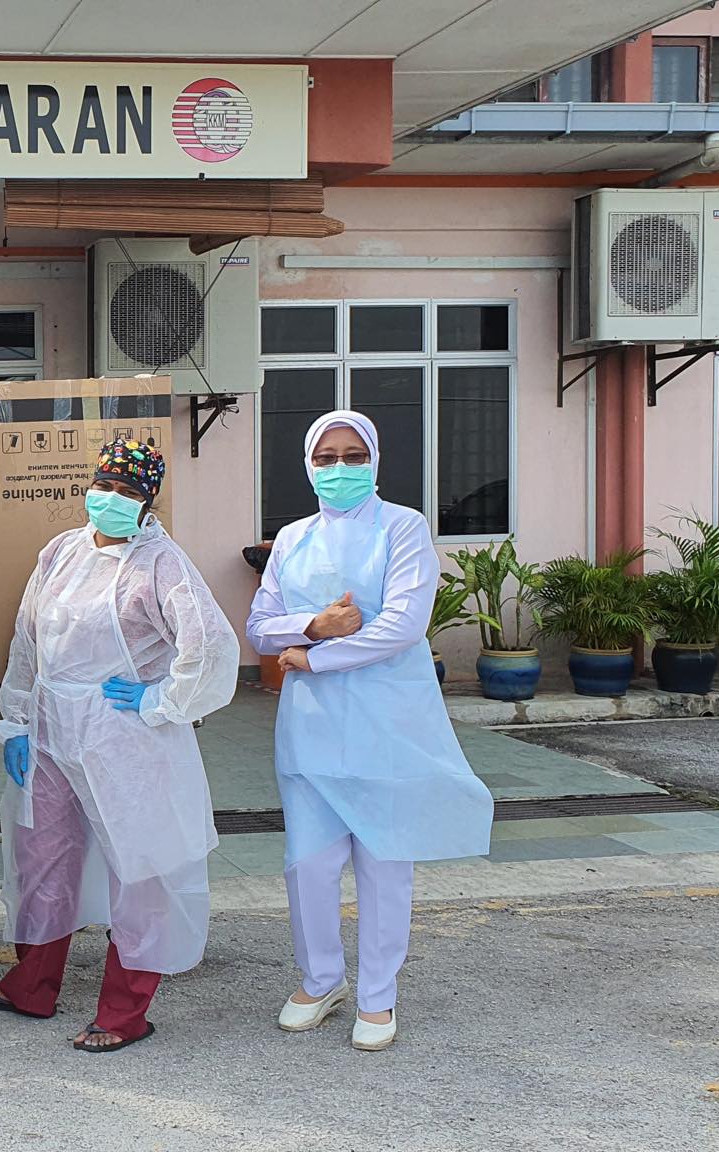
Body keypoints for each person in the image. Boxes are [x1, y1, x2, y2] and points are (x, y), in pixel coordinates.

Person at [0, 438, 237, 1052]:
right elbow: (27, 641)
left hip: (125, 737)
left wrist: (161, 699)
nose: (111, 498)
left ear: (149, 502)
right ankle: (31, 986)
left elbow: (211, 648)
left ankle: (124, 1011)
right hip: (50, 728)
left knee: (138, 866)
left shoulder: (161, 564)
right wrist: (16, 721)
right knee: (44, 855)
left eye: (128, 491)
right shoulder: (61, 551)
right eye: (105, 485)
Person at [245, 411, 493, 1052]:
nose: (339, 468)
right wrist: (313, 628)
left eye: (353, 456)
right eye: (325, 457)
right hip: (310, 726)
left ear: (375, 460)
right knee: (309, 864)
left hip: (386, 720)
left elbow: (404, 625)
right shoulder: (292, 537)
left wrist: (315, 657)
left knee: (384, 862)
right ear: (308, 465)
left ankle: (378, 995)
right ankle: (320, 980)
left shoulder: (402, 527)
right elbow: (259, 626)